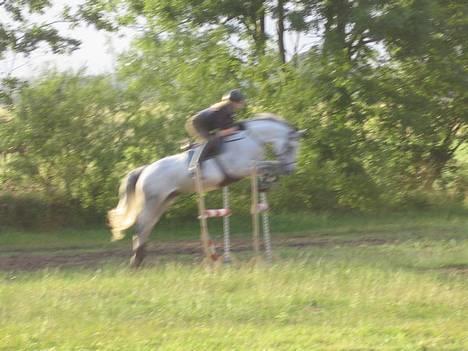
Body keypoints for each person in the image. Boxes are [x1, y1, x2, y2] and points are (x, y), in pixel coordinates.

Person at [186, 89, 246, 172]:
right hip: (197, 124)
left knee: (221, 139)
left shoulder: (229, 110)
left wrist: (236, 128)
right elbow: (220, 133)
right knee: (211, 140)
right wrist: (234, 129)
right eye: (241, 101)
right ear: (235, 102)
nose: (243, 102)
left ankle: (196, 146)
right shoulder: (222, 110)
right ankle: (195, 165)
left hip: (206, 125)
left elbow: (230, 127)